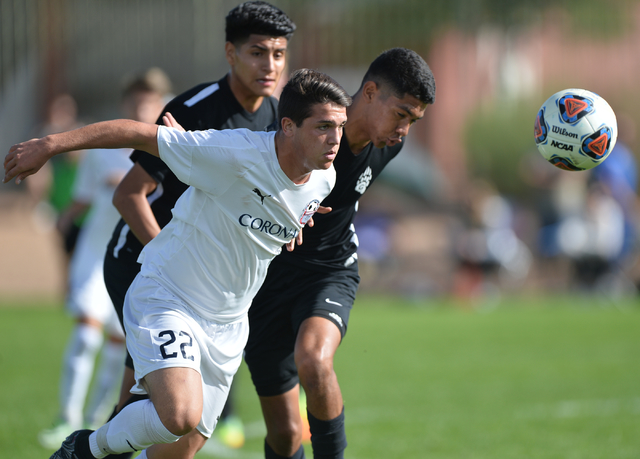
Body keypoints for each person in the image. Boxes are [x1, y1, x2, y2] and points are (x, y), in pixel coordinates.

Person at [4, 68, 351, 459]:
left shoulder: (325, 178)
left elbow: (285, 208)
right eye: (323, 126)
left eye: (340, 126)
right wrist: (49, 145)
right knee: (180, 413)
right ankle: (83, 449)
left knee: (181, 447)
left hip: (228, 324)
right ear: (288, 126)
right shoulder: (233, 152)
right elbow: (135, 133)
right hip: (170, 297)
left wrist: (293, 223)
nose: (335, 139)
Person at [103, 2, 295, 450]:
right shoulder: (194, 110)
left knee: (169, 414)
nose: (270, 65)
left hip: (196, 276)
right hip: (140, 261)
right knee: (147, 400)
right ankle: (89, 447)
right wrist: (170, 265)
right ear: (230, 53)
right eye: (257, 52)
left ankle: (97, 446)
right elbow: (127, 194)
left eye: (279, 54)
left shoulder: (276, 119)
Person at [243, 48, 436, 459]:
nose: (404, 131)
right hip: (263, 280)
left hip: (328, 270)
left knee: (313, 359)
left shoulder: (388, 146)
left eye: (413, 121)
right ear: (368, 93)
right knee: (284, 435)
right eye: (401, 114)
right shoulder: (300, 129)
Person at [38, 73, 169, 450]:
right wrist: (62, 220)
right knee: (85, 333)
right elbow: (82, 199)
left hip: (138, 258)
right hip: (96, 255)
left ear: (160, 105)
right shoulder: (102, 148)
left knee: (120, 347)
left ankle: (97, 420)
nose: (143, 108)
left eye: (151, 101)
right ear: (126, 105)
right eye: (137, 101)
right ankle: (65, 417)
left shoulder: (169, 147)